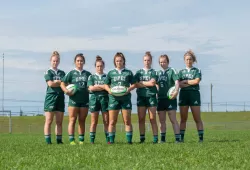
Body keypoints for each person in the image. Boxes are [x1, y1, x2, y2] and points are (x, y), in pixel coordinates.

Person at [104, 52, 136, 144]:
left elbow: (134, 84)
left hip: (125, 98)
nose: (118, 62)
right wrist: (109, 90)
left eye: (120, 61)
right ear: (114, 62)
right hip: (113, 99)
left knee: (127, 120)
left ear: (123, 61)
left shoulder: (128, 72)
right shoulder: (111, 73)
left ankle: (129, 141)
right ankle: (111, 141)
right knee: (112, 121)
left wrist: (128, 89)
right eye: (117, 61)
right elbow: (106, 84)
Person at [61, 53, 91, 145]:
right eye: (78, 61)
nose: (79, 62)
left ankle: (81, 140)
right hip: (73, 101)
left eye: (81, 61)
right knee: (72, 119)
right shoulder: (71, 73)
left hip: (84, 100)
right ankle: (72, 140)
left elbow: (90, 86)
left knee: (82, 120)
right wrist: (66, 91)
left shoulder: (88, 74)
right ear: (75, 62)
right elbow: (62, 83)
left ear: (84, 62)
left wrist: (90, 89)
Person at [178, 50, 204, 142]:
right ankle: (181, 139)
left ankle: (201, 139)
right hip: (184, 95)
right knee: (183, 119)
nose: (188, 61)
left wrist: (186, 81)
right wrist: (189, 83)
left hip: (194, 95)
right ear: (184, 60)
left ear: (193, 60)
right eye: (187, 59)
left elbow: (196, 81)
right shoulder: (181, 72)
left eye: (190, 59)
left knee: (197, 118)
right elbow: (179, 84)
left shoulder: (197, 70)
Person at [134, 51, 159, 144]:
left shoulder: (154, 72)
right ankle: (142, 139)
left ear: (151, 61)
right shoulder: (139, 72)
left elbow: (152, 83)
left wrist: (141, 83)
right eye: (145, 60)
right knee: (141, 118)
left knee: (152, 119)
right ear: (143, 61)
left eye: (148, 60)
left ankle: (155, 139)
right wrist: (144, 83)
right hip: (141, 97)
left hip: (151, 97)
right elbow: (135, 84)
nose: (147, 62)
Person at [156, 54, 181, 143]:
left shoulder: (172, 71)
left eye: (164, 62)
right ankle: (162, 140)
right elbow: (155, 83)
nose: (162, 64)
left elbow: (177, 82)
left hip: (170, 98)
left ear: (168, 62)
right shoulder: (157, 72)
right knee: (161, 120)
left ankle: (178, 139)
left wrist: (176, 91)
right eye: (161, 62)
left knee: (173, 119)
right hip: (160, 99)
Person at [43, 51, 65, 144]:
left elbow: (65, 84)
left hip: (60, 97)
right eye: (53, 61)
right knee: (49, 120)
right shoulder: (48, 72)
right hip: (51, 97)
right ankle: (48, 141)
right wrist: (59, 83)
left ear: (59, 61)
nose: (55, 63)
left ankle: (59, 141)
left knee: (59, 121)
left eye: (57, 61)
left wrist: (59, 83)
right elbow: (50, 84)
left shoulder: (62, 73)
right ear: (50, 61)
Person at [87, 56, 109, 144]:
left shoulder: (107, 76)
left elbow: (108, 87)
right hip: (94, 100)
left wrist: (97, 87)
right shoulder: (91, 77)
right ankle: (92, 141)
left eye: (101, 66)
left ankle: (108, 140)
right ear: (95, 67)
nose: (99, 68)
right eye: (97, 66)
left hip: (105, 99)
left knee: (106, 121)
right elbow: (91, 88)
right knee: (94, 121)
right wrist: (103, 87)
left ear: (103, 66)